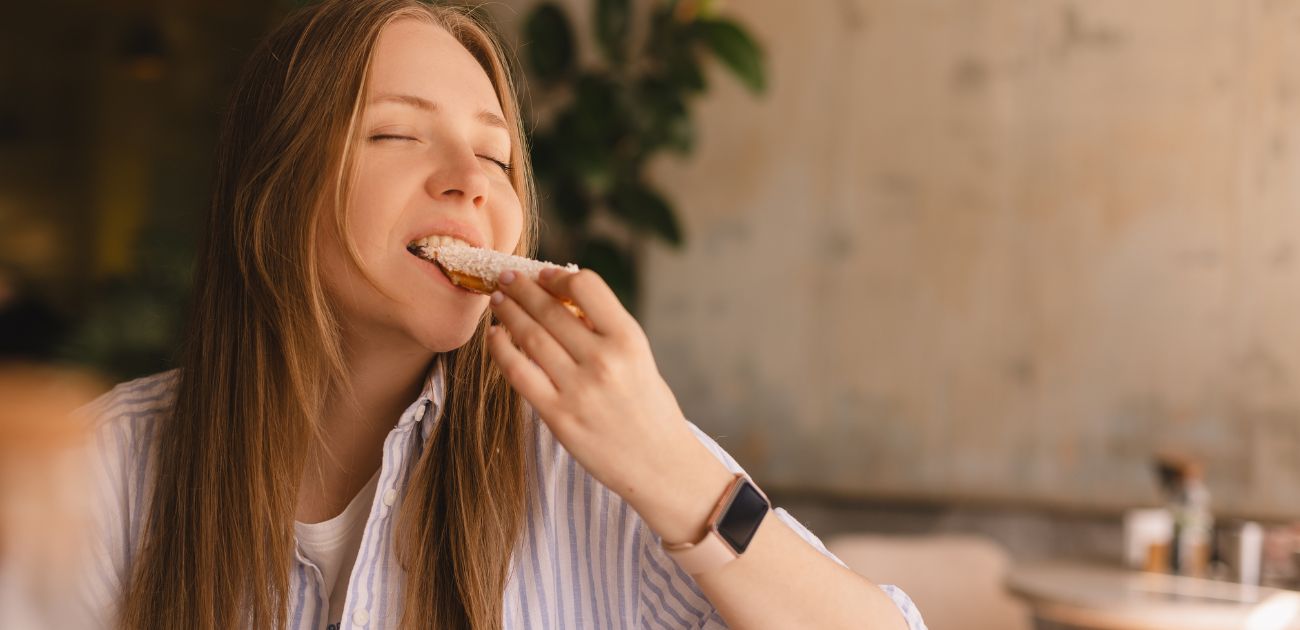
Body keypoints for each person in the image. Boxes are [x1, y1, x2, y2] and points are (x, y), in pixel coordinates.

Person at [80, 1, 927, 628]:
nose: (472, 181)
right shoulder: (103, 470)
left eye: (496, 155)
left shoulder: (595, 464)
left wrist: (668, 463)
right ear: (273, 192)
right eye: (397, 135)